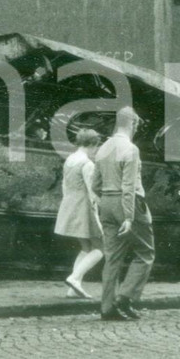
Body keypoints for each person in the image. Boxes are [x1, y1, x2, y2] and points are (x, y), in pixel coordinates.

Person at [91, 106, 155, 321]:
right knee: (145, 253)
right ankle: (125, 298)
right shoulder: (131, 149)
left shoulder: (103, 148)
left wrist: (107, 199)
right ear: (133, 124)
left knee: (112, 258)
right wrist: (128, 217)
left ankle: (107, 307)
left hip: (106, 203)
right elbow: (129, 186)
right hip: (129, 203)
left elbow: (95, 184)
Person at [53, 128, 104, 299]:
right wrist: (101, 209)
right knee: (100, 248)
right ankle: (74, 279)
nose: (96, 150)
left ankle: (73, 288)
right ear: (91, 144)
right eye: (96, 146)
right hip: (84, 206)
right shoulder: (87, 164)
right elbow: (93, 191)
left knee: (86, 247)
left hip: (70, 203)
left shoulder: (70, 159)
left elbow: (64, 186)